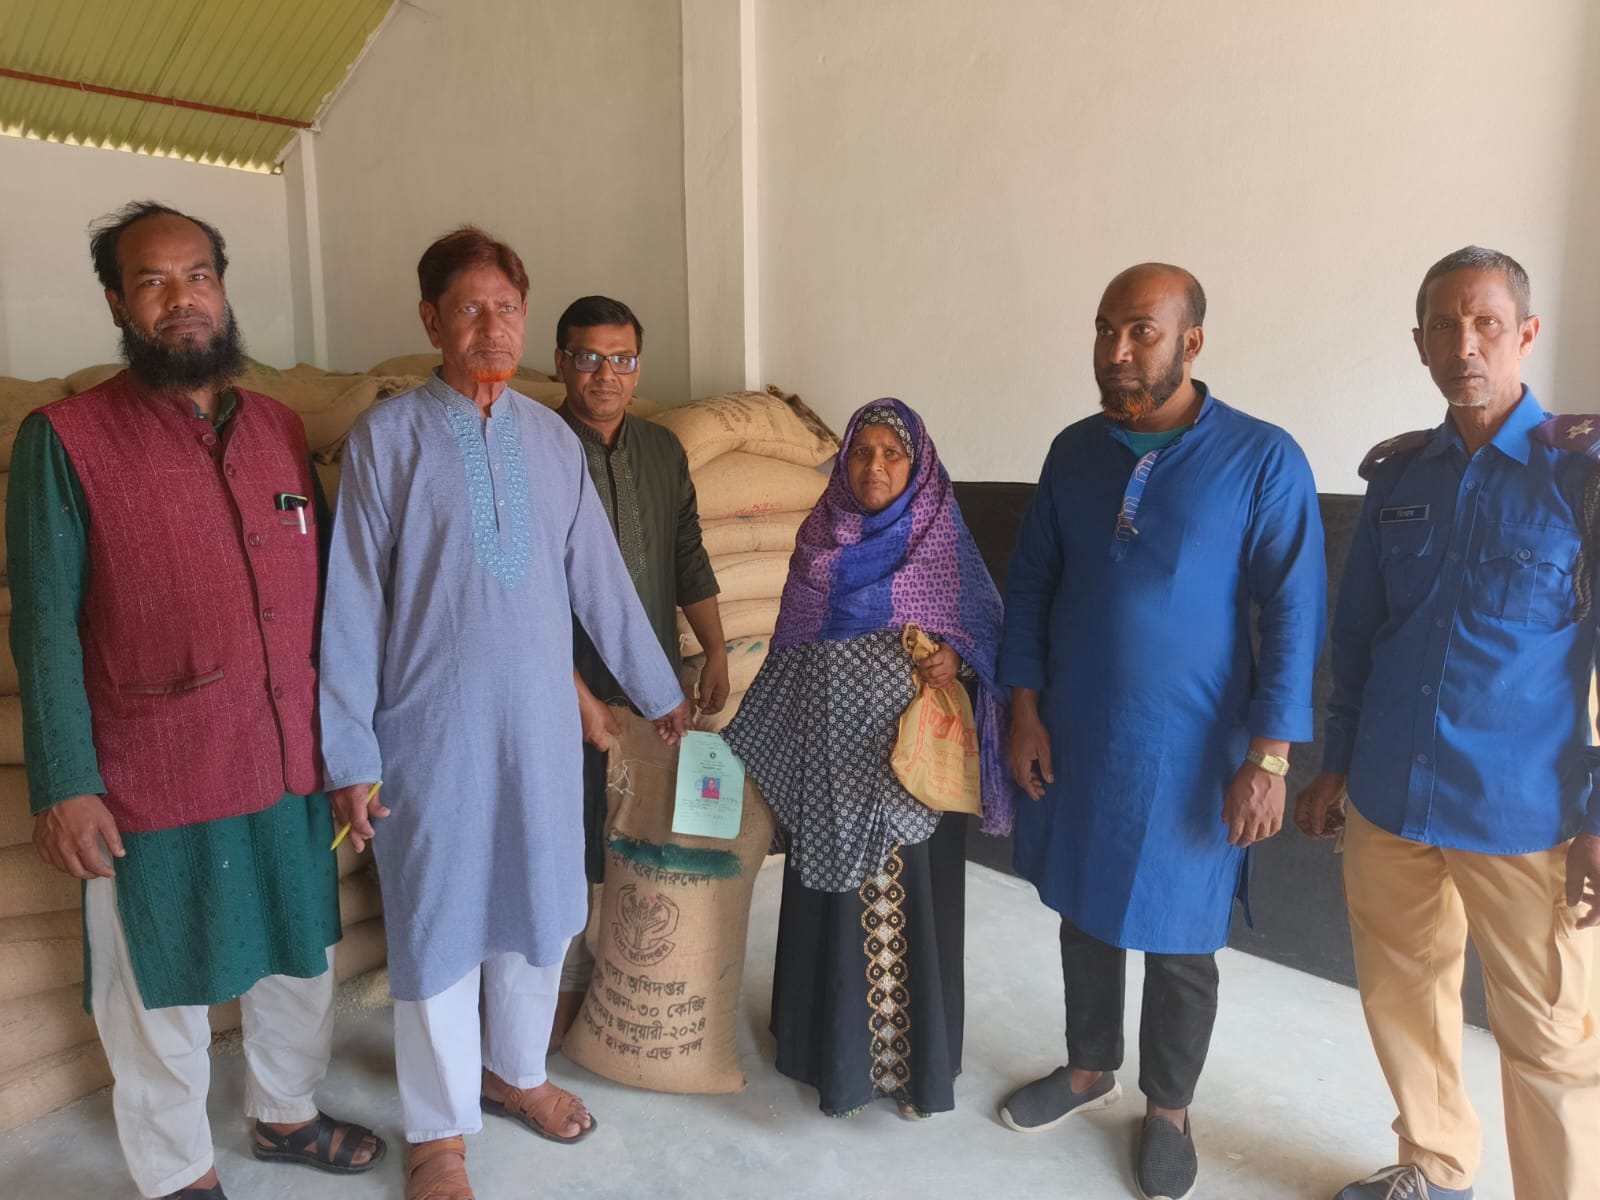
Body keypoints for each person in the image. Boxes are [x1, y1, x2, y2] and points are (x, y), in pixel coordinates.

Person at [5, 200, 383, 1200]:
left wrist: (347, 752)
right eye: (153, 281)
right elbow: (42, 625)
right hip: (151, 770)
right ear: (117, 303)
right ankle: (178, 1172)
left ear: (223, 285)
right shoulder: (64, 439)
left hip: (286, 754)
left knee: (301, 955)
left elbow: (331, 607)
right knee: (155, 980)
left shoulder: (280, 429)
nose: (182, 299)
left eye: (198, 275)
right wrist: (66, 781)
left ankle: (286, 1113)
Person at [317, 227, 691, 1200]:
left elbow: (597, 579)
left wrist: (657, 692)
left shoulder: (550, 442)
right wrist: (350, 753)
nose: (493, 328)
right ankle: (438, 1131)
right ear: (430, 319)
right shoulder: (387, 440)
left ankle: (516, 1072)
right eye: (470, 309)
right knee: (436, 921)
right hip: (427, 734)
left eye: (508, 309)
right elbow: (350, 605)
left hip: (537, 731)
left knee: (541, 904)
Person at [997, 264, 1325, 1200]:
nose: (1117, 350)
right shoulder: (1074, 452)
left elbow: (1293, 613)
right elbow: (1032, 583)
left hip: (1193, 749)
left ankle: (1169, 1110)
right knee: (1084, 908)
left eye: (1141, 330)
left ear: (1192, 341)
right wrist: (1024, 709)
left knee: (1182, 939)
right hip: (1079, 732)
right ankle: (1087, 1069)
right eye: (1106, 329)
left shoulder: (1261, 458)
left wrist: (1270, 758)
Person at [1296, 246, 1600, 1200]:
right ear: (1420, 340)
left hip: (1525, 813)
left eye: (1486, 324)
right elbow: (1360, 634)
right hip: (1391, 794)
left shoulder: (1581, 475)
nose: (1464, 345)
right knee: (1404, 995)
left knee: (1551, 1038)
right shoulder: (1398, 475)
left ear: (1526, 334)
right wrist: (1338, 760)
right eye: (1443, 325)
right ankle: (1435, 1166)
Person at [722, 398, 1014, 1119]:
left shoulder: (940, 544)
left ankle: (912, 1073)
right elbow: (789, 651)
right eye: (861, 452)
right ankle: (830, 1058)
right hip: (830, 768)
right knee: (832, 907)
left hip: (912, 775)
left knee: (907, 912)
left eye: (892, 454)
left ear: (918, 466)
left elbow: (987, 638)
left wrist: (956, 658)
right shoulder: (819, 542)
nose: (875, 466)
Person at [551, 294, 726, 1042]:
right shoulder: (537, 447)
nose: (606, 375)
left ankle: (628, 975)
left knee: (639, 830)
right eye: (589, 357)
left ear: (638, 366)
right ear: (562, 362)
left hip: (648, 678)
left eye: (621, 359)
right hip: (561, 680)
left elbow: (687, 553)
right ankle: (563, 983)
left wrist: (714, 648)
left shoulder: (661, 450)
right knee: (568, 831)